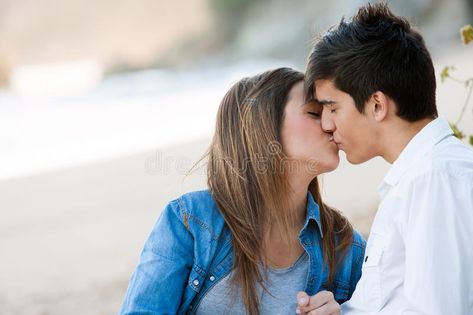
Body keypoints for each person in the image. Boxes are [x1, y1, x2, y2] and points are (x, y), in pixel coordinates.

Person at [119, 67, 365, 315]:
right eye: (314, 112)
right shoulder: (190, 222)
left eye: (331, 110)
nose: (330, 123)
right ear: (263, 128)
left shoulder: (346, 247)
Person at [299, 3, 473, 315]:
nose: (326, 124)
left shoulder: (434, 179)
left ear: (377, 104)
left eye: (332, 107)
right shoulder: (419, 178)